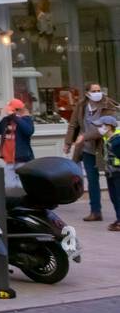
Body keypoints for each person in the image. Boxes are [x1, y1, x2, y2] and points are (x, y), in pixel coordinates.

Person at [64, 82, 119, 222]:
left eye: (99, 90)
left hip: (103, 149)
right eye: (94, 90)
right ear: (87, 93)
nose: (97, 93)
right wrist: (68, 143)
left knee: (112, 182)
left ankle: (118, 216)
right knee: (92, 180)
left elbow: (105, 128)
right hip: (87, 149)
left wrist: (84, 137)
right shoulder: (81, 106)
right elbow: (73, 124)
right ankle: (95, 211)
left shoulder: (108, 105)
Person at [0, 98, 34, 187]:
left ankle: (23, 199)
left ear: (16, 110)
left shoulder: (26, 119)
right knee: (10, 185)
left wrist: (14, 117)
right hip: (9, 158)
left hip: (22, 158)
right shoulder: (6, 120)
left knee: (22, 185)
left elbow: (28, 131)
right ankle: (13, 199)